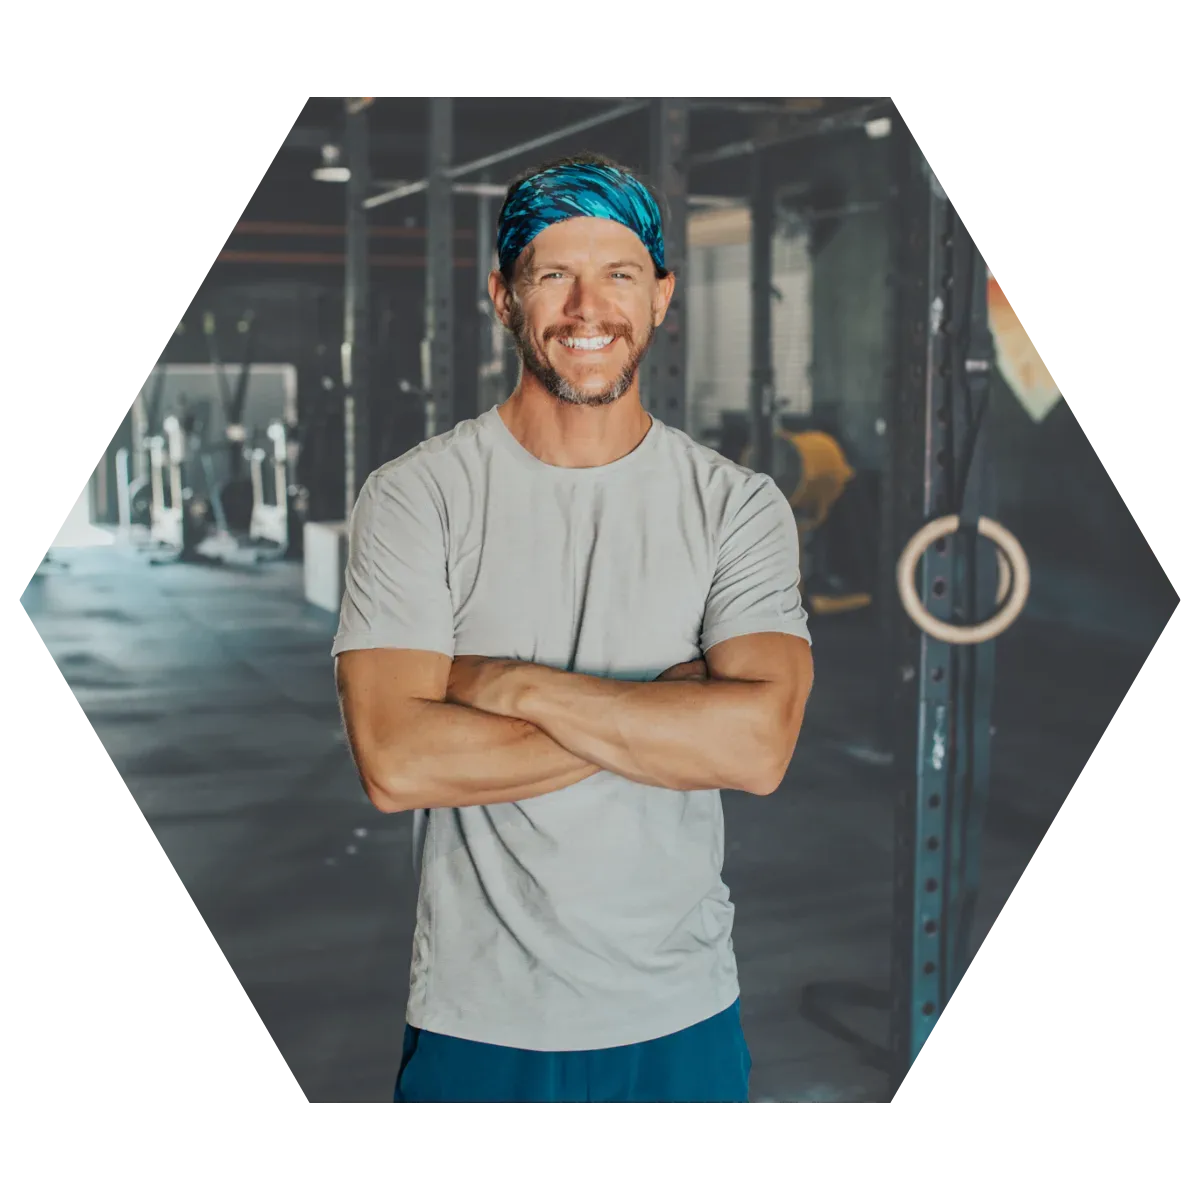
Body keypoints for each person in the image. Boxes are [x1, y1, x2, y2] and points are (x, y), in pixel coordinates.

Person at [333, 151, 815, 1104]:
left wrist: (506, 683)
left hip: (681, 1009)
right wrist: (669, 716)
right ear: (504, 297)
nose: (588, 308)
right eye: (555, 274)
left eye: (620, 274)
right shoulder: (418, 496)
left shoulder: (737, 505)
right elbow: (397, 762)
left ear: (663, 296)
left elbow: (759, 749)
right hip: (481, 1017)